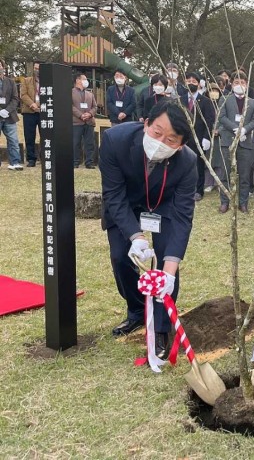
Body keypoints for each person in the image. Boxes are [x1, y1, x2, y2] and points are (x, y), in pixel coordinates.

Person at [99, 100, 197, 359]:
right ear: (146, 124)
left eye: (172, 139)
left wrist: (170, 271)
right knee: (121, 257)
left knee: (166, 262)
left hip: (162, 207)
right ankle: (136, 310)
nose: (162, 142)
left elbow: (182, 217)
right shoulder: (114, 140)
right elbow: (113, 194)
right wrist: (135, 236)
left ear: (182, 144)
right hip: (126, 205)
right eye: (157, 132)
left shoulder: (187, 162)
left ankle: (162, 325)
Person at [216, 71, 254, 214]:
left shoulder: (253, 102)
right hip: (228, 140)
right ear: (231, 84)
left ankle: (243, 203)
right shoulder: (225, 99)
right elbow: (221, 117)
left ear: (246, 84)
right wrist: (235, 128)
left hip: (245, 142)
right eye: (236, 82)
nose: (239, 85)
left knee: (245, 174)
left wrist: (244, 130)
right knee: (225, 173)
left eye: (242, 82)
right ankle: (224, 202)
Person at [181, 71, 216, 201]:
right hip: (183, 137)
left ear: (199, 84)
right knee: (182, 163)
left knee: (198, 165)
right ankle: (184, 189)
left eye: (194, 81)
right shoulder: (180, 100)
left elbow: (209, 121)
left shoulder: (205, 101)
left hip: (199, 137)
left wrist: (207, 137)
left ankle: (198, 190)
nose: (191, 83)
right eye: (188, 81)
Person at [72, 73, 97, 169]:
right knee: (76, 143)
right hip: (76, 122)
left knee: (90, 143)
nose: (86, 81)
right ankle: (75, 162)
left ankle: (89, 162)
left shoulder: (90, 94)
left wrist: (90, 114)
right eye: (84, 79)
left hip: (89, 122)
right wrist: (80, 115)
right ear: (78, 80)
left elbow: (95, 107)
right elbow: (70, 106)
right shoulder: (70, 92)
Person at [0, 60, 22, 170]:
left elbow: (15, 98)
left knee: (13, 139)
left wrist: (7, 110)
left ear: (3, 67)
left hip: (9, 115)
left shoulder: (10, 81)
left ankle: (15, 162)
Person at [19, 61, 41, 167]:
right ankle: (31, 159)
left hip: (43, 112)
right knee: (29, 136)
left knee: (46, 136)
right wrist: (32, 104)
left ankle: (45, 157)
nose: (37, 70)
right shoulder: (26, 80)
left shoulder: (48, 81)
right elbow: (23, 95)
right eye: (36, 68)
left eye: (39, 68)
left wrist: (39, 105)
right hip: (29, 112)